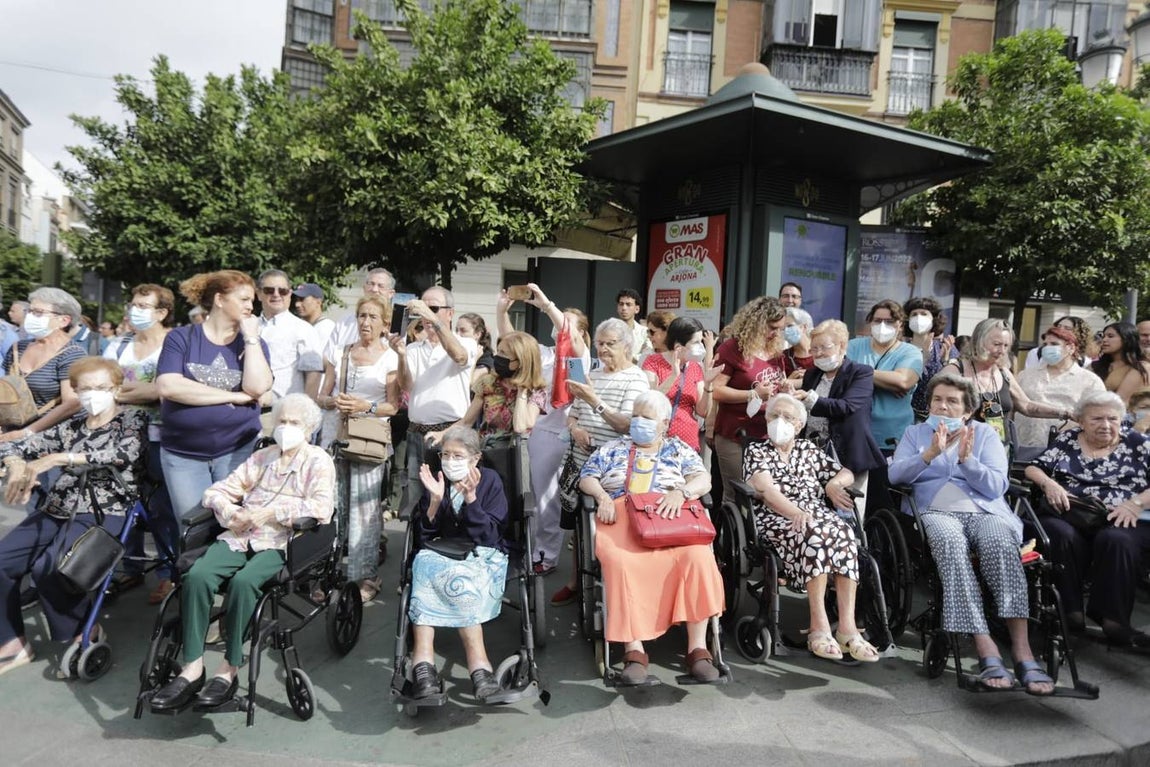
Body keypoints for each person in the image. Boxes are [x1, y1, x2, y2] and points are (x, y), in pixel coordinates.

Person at [148, 394, 335, 710]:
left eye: (294, 423)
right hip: (240, 534)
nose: (286, 428)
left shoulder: (317, 461)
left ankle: (228, 668)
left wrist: (269, 513)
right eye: (282, 422)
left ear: (310, 428)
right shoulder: (263, 458)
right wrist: (230, 513)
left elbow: (321, 507)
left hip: (283, 540)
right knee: (197, 576)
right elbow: (216, 492)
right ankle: (193, 666)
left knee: (244, 583)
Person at [890, 374, 1053, 693]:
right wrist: (929, 455)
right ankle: (985, 645)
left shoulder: (984, 435)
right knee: (951, 545)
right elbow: (894, 474)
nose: (943, 406)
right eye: (937, 399)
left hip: (985, 510)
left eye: (952, 401)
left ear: (968, 410)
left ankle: (1022, 651)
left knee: (1001, 543)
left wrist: (967, 461)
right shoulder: (915, 433)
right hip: (936, 510)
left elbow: (996, 486)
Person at [0, 357, 147, 676]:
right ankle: (12, 641)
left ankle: (82, 629)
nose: (93, 395)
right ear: (76, 392)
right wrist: (15, 468)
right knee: (3, 560)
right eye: (85, 389)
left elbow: (125, 454)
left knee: (51, 567)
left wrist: (60, 458)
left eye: (101, 388)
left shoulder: (131, 420)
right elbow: (20, 445)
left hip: (106, 506)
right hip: (59, 505)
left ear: (116, 388)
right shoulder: (71, 426)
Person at [578, 390, 724, 683]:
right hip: (620, 512)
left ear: (664, 422)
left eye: (647, 417)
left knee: (698, 557)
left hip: (670, 512)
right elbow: (587, 476)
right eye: (635, 416)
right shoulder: (613, 448)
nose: (638, 422)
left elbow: (703, 478)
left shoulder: (677, 449)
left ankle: (698, 649)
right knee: (620, 562)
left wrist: (681, 492)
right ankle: (634, 651)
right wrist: (603, 496)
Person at [743, 394, 879, 663]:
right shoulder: (756, 450)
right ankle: (818, 626)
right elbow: (767, 491)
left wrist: (833, 485)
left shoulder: (808, 449)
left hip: (815, 515)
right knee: (815, 534)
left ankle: (847, 628)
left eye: (787, 417)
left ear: (799, 425)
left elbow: (847, 472)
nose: (779, 421)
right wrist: (798, 513)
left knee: (844, 533)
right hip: (777, 517)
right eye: (774, 416)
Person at [1025, 391, 1150, 648]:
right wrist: (1050, 484)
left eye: (1112, 419)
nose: (1105, 425)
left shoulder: (1137, 442)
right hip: (1072, 512)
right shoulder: (1069, 438)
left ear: (1122, 419)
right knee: (1057, 533)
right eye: (1097, 419)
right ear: (1081, 420)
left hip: (1122, 515)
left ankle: (1113, 621)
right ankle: (1069, 613)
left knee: (1115, 540)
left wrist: (1135, 503)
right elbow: (1032, 467)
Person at [156, 270, 273, 534]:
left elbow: (256, 388)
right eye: (243, 299)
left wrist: (252, 338)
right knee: (192, 530)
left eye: (251, 300)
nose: (250, 306)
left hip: (237, 450)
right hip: (183, 455)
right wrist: (233, 396)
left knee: (235, 528)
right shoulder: (182, 338)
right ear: (220, 300)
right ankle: (191, 576)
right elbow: (169, 386)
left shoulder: (254, 343)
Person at [550, 318, 651, 606]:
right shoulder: (592, 373)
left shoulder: (636, 378)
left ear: (627, 345)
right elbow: (573, 413)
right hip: (579, 463)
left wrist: (594, 400)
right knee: (577, 529)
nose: (603, 349)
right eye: (600, 343)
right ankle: (574, 581)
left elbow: (626, 425)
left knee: (609, 531)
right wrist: (575, 428)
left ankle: (612, 589)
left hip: (612, 472)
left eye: (610, 344)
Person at [408, 426, 510, 701]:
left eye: (458, 455)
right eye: (446, 454)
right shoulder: (438, 479)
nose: (450, 460)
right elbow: (423, 538)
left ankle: (479, 667)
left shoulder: (489, 481)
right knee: (422, 563)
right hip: (441, 553)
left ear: (475, 459)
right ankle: (423, 665)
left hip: (482, 554)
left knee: (457, 577)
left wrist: (471, 500)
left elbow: (489, 536)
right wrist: (435, 501)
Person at [495, 284, 591, 577]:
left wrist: (548, 304)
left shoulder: (577, 359)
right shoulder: (545, 354)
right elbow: (512, 345)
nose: (558, 326)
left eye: (566, 321)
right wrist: (501, 310)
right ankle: (527, 546)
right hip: (531, 431)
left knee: (547, 498)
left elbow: (570, 338)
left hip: (557, 434)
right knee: (526, 495)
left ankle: (546, 555)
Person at [317, 296, 400, 602]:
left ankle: (366, 574)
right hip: (337, 433)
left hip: (369, 439)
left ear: (384, 323)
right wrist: (333, 401)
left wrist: (367, 406)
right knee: (335, 506)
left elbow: (394, 406)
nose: (366, 322)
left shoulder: (391, 358)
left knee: (364, 509)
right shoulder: (342, 352)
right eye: (362, 316)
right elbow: (321, 395)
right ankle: (332, 569)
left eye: (373, 317)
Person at [105, 284, 179, 604]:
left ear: (162, 312)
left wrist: (123, 392)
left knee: (162, 508)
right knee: (122, 503)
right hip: (121, 437)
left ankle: (168, 574)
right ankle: (130, 565)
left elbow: (163, 391)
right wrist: (140, 390)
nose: (136, 310)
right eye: (134, 304)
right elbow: (102, 384)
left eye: (144, 305)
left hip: (161, 438)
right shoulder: (119, 344)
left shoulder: (174, 344)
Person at [392, 287, 477, 518]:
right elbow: (406, 385)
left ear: (450, 313)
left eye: (434, 308)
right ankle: (421, 541)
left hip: (450, 431)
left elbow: (459, 357)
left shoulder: (465, 342)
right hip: (417, 431)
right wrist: (400, 354)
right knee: (418, 491)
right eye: (423, 309)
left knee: (453, 491)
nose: (427, 314)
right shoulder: (414, 348)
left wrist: (431, 319)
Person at [792, 320, 885, 511]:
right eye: (814, 348)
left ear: (842, 345)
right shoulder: (812, 374)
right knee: (811, 507)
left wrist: (809, 398)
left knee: (848, 511)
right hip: (813, 452)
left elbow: (846, 406)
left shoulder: (861, 373)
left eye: (824, 348)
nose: (818, 354)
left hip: (847, 454)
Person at [941, 318, 1074, 451]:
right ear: (978, 342)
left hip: (998, 450)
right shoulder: (955, 371)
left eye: (1006, 346)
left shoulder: (1003, 372)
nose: (1002, 350)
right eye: (997, 344)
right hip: (962, 449)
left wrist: (1065, 413)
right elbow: (938, 410)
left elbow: (1027, 406)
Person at [710, 296, 789, 499]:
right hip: (735, 434)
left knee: (768, 494)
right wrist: (752, 394)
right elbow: (716, 390)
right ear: (758, 322)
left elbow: (776, 385)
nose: (776, 333)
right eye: (772, 327)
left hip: (768, 435)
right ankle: (732, 531)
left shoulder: (776, 352)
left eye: (781, 329)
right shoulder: (732, 348)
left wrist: (785, 390)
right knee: (739, 494)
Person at [0, 287, 87, 444]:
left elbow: (73, 402)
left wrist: (28, 432)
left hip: (51, 439)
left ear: (64, 320)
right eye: (30, 311)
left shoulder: (72, 354)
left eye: (38, 313)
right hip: (9, 436)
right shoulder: (17, 348)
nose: (31, 317)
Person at [430, 331, 547, 444]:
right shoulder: (488, 382)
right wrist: (442, 434)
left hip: (517, 457)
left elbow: (520, 427)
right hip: (486, 451)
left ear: (521, 361)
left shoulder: (536, 391)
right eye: (498, 351)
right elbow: (466, 422)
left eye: (504, 353)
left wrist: (522, 391)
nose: (497, 357)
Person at [845, 299, 922, 451]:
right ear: (870, 322)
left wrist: (857, 373)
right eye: (878, 320)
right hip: (855, 433)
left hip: (892, 438)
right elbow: (841, 376)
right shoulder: (853, 346)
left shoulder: (910, 352)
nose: (882, 326)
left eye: (889, 321)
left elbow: (904, 381)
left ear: (900, 324)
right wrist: (887, 382)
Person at [1014, 326, 1105, 451]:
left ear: (1071, 348)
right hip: (1023, 445)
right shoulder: (1025, 375)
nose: (1047, 348)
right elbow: (1014, 406)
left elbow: (1098, 415)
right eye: (1045, 344)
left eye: (1054, 344)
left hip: (1065, 449)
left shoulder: (1089, 381)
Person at [641, 316, 718, 452]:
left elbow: (703, 411)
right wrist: (673, 376)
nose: (701, 347)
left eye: (701, 342)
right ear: (678, 346)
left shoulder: (695, 367)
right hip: (659, 442)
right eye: (695, 342)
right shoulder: (653, 362)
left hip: (688, 443)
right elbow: (650, 402)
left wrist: (708, 384)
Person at [256, 269, 324, 404]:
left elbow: (313, 374)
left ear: (289, 294)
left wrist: (305, 412)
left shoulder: (303, 330)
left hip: (282, 413)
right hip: (245, 412)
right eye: (269, 290)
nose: (276, 295)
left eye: (282, 291)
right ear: (259, 294)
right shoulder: (247, 326)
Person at [323, 268, 396, 358]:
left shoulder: (395, 324)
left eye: (381, 286)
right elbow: (327, 357)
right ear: (364, 288)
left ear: (391, 293)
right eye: (371, 284)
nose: (374, 289)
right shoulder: (345, 322)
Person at [903, 296, 956, 419]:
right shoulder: (901, 348)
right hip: (905, 414)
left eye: (924, 314)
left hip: (937, 415)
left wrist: (945, 361)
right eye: (914, 314)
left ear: (934, 319)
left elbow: (954, 383)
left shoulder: (945, 347)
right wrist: (923, 358)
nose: (918, 318)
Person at [1090, 321, 1150, 405]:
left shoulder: (1140, 367)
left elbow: (1121, 400)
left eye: (1110, 336)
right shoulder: (1095, 366)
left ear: (1126, 339)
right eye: (1103, 336)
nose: (1104, 340)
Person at [1023, 315, 1093, 369]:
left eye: (1067, 328)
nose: (1061, 330)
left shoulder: (1085, 362)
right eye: (1058, 326)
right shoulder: (1036, 353)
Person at [292, 283, 335, 349]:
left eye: (302, 299)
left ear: (318, 302)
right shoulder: (300, 326)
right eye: (296, 300)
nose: (297, 304)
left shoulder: (326, 328)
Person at [455, 312, 494, 384]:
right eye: (456, 330)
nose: (458, 335)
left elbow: (470, 382)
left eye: (463, 331)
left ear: (478, 334)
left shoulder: (485, 359)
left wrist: (475, 359)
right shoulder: (456, 352)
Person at [615, 289, 652, 361]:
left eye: (628, 304)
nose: (624, 308)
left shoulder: (644, 332)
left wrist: (629, 358)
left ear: (637, 309)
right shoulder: (608, 330)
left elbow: (648, 354)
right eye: (621, 304)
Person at [782, 306, 815, 376]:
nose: (786, 331)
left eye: (789, 326)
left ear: (804, 327)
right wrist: (790, 380)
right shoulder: (784, 357)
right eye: (783, 328)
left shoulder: (821, 351)